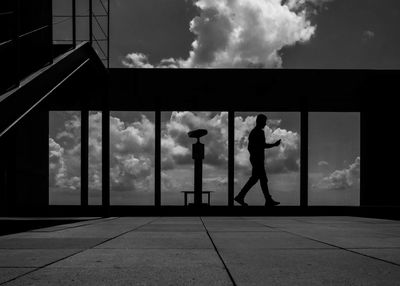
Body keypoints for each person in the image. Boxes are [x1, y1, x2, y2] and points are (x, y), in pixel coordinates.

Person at [234, 114, 281, 206]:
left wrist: (254, 156)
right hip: (257, 160)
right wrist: (274, 145)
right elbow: (262, 146)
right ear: (260, 122)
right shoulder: (258, 132)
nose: (265, 124)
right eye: (264, 122)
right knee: (262, 179)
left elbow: (250, 147)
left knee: (256, 179)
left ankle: (240, 196)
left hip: (256, 159)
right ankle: (268, 200)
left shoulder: (254, 132)